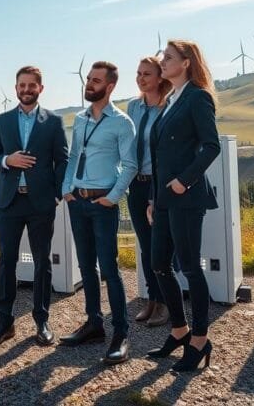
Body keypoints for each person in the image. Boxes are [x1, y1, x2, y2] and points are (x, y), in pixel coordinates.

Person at [146, 40, 221, 372]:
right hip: (163, 199)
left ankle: (200, 340)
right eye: (163, 57)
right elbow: (159, 157)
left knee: (189, 267)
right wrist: (153, 198)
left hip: (186, 197)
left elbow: (211, 146)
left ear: (187, 63)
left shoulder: (197, 98)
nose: (163, 62)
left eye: (169, 58)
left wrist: (183, 181)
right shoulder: (169, 101)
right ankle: (179, 330)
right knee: (159, 263)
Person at [0, 66, 69, 347]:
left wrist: (56, 193)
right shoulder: (3, 120)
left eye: (32, 85)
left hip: (40, 202)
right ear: (16, 88)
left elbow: (63, 160)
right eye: (22, 85)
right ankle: (4, 322)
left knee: (43, 262)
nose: (26, 89)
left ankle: (41, 320)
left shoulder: (53, 122)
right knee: (7, 261)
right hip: (8, 201)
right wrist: (8, 160)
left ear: (40, 89)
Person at [60, 61, 136, 365]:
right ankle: (93, 324)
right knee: (85, 266)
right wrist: (67, 189)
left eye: (95, 80)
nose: (89, 84)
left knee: (109, 268)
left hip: (103, 204)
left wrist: (113, 198)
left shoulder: (121, 122)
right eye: (88, 79)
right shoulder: (79, 120)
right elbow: (73, 155)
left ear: (110, 86)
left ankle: (121, 334)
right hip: (77, 202)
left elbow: (130, 164)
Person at [125, 56, 172, 327]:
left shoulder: (168, 107)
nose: (141, 78)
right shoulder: (133, 107)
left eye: (147, 74)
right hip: (136, 183)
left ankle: (166, 302)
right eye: (138, 73)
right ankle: (152, 299)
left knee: (161, 245)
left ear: (160, 78)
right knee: (145, 244)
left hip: (159, 181)